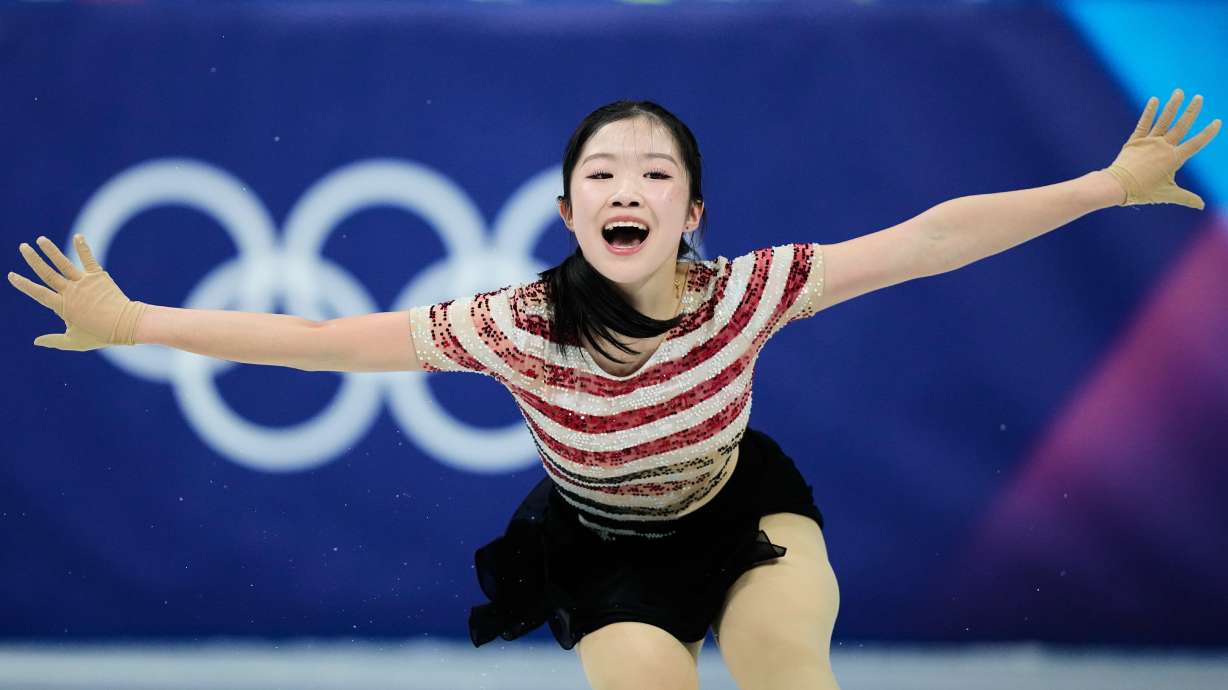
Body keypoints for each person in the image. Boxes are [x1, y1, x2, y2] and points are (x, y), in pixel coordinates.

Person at [7, 90, 1219, 690]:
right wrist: (132, 320)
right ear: (569, 208)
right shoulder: (513, 326)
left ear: (691, 212)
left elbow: (929, 238)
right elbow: (327, 340)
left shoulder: (749, 291)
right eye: (601, 171)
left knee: (786, 670)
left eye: (654, 172)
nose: (625, 185)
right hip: (596, 548)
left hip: (745, 512)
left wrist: (1103, 187)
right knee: (643, 674)